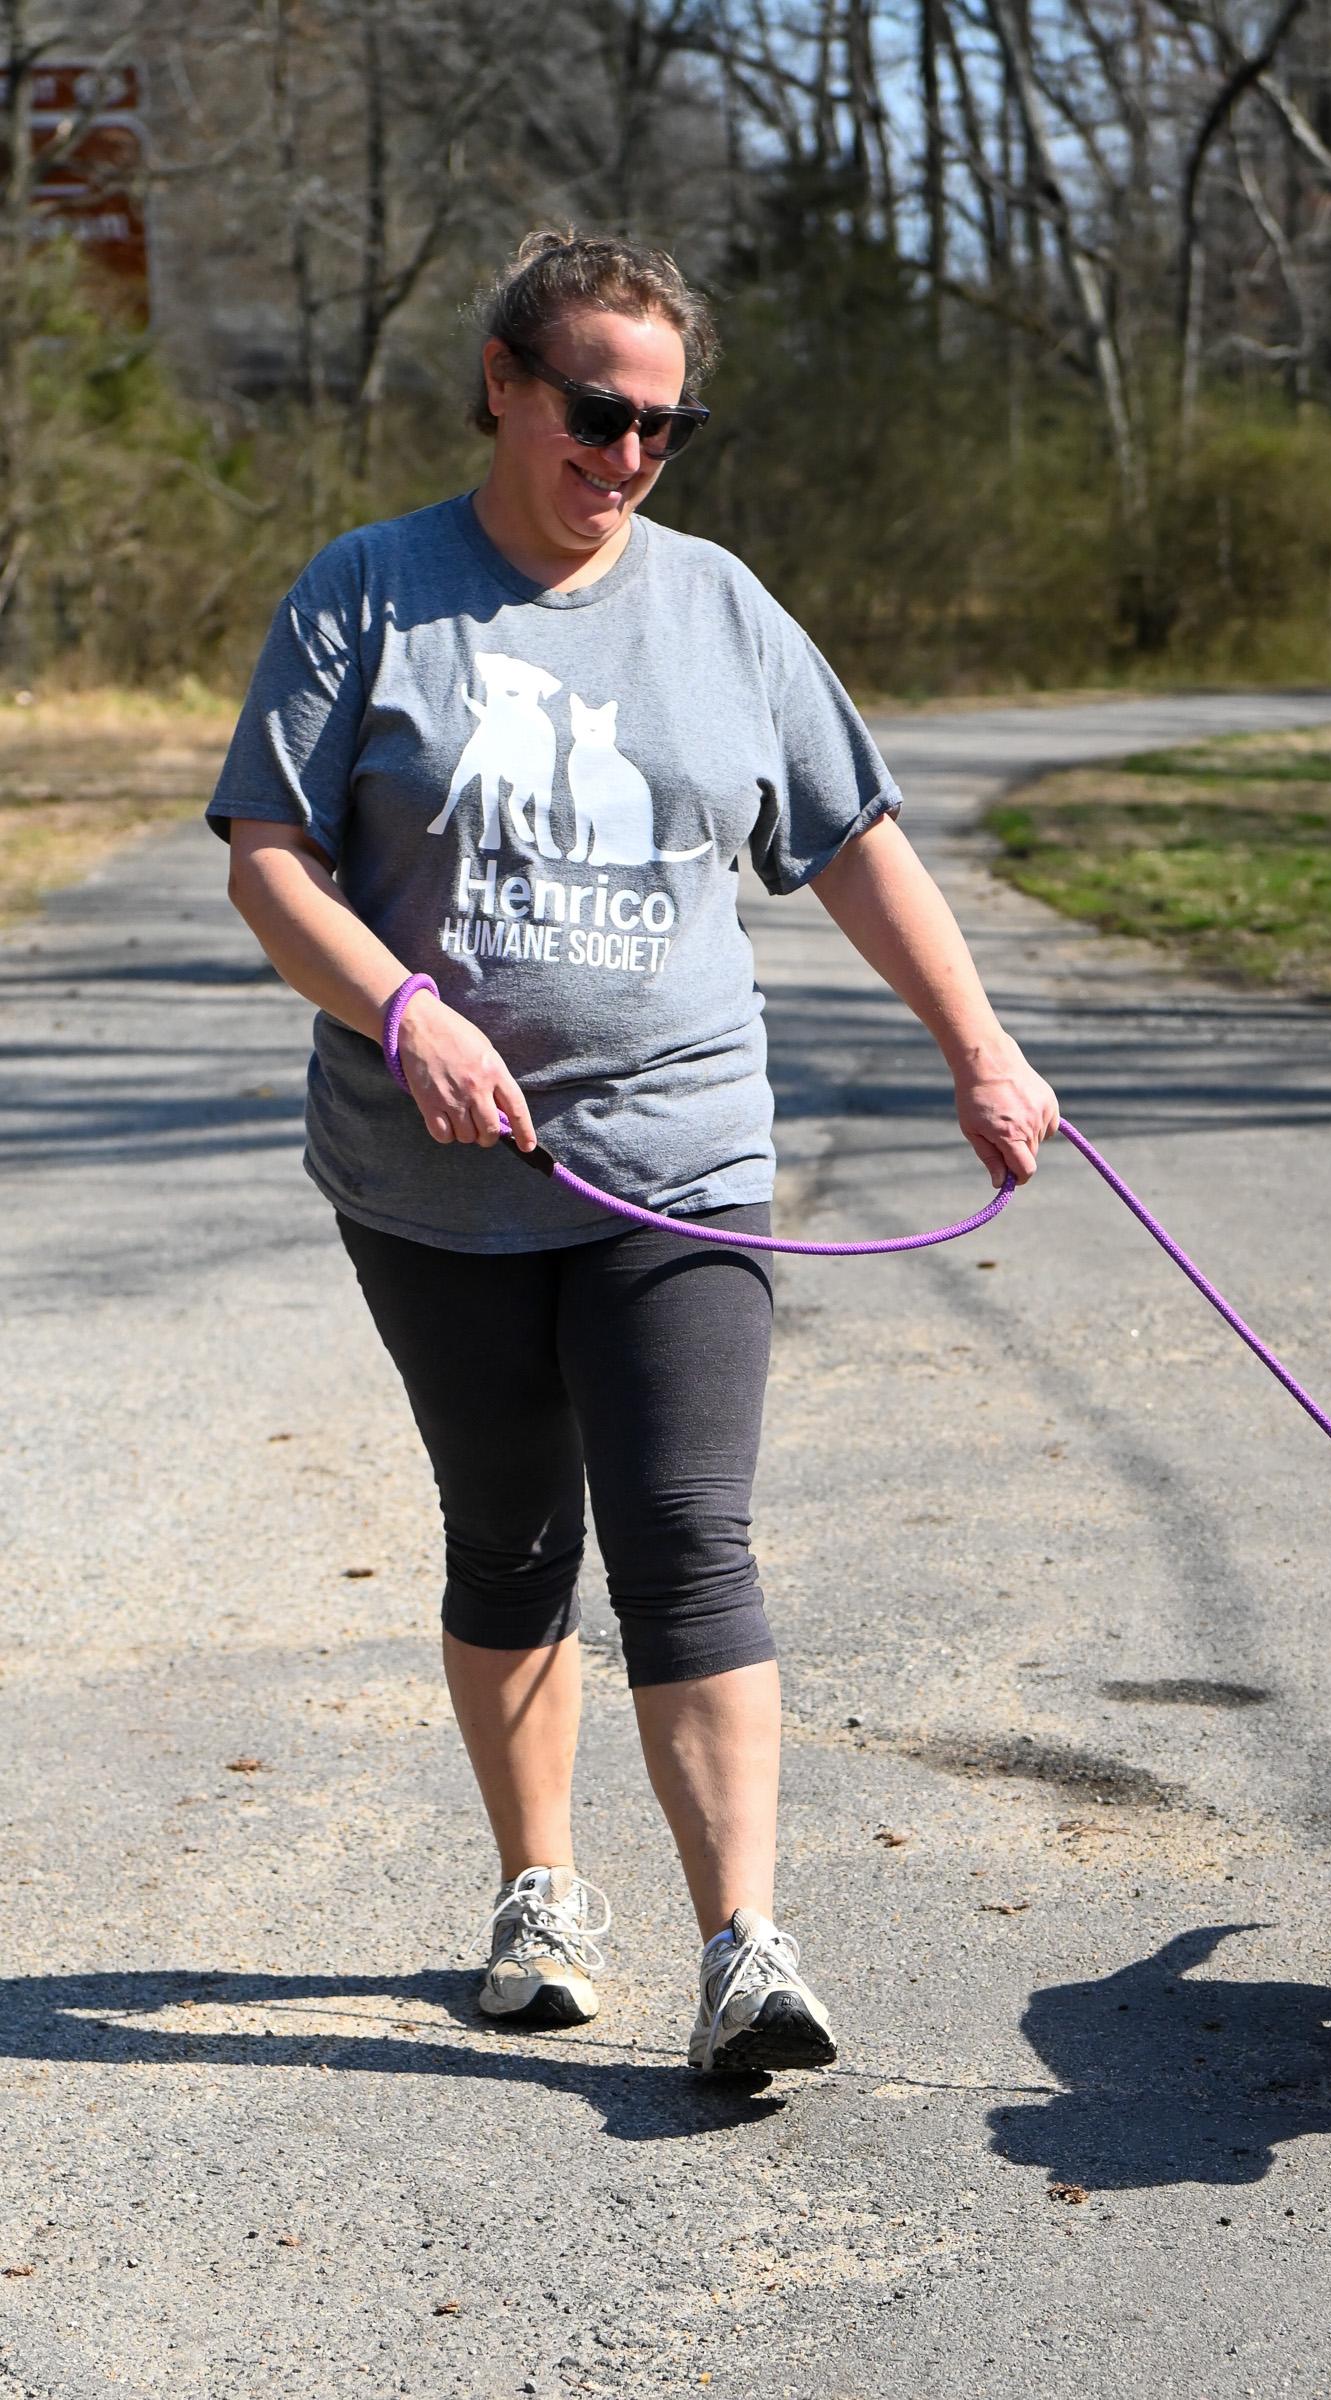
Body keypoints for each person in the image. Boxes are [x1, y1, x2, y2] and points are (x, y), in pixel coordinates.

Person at [210, 229, 1057, 2073]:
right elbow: (271, 859)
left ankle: (745, 1950)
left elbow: (851, 841)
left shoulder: (723, 611)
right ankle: (538, 1886)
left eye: (667, 429)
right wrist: (404, 1013)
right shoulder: (370, 593)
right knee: (512, 1535)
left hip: (676, 1149)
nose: (630, 456)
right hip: (429, 1172)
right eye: (600, 412)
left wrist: (978, 1052)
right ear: (505, 383)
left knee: (686, 1539)